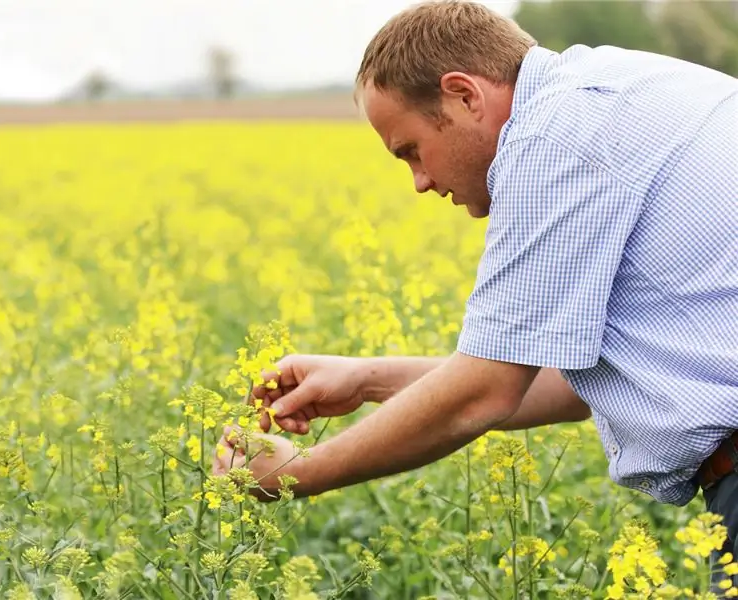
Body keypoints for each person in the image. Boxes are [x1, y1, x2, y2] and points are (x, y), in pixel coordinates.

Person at [214, 0, 738, 591]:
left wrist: (296, 473)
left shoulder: (554, 140)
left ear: (464, 95)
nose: (420, 181)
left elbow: (483, 392)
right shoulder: (617, 89)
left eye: (411, 150)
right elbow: (572, 384)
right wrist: (366, 380)